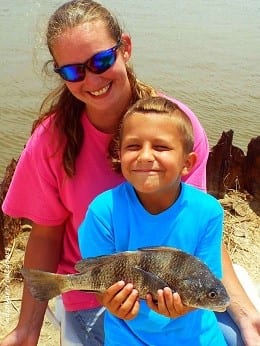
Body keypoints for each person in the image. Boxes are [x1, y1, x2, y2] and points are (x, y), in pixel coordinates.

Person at [0, 0, 259, 345]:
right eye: (74, 72)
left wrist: (246, 316)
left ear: (126, 48)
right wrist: (27, 330)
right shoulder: (50, 141)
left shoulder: (176, 124)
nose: (91, 79)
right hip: (99, 294)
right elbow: (46, 235)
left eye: (101, 61)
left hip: (172, 289)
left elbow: (193, 231)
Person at [78, 96, 227, 345]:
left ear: (187, 163)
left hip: (198, 336)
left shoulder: (208, 211)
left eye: (161, 147)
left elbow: (209, 283)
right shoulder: (103, 211)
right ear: (119, 155)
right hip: (127, 337)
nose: (145, 156)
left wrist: (184, 307)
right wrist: (113, 303)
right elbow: (98, 281)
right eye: (133, 146)